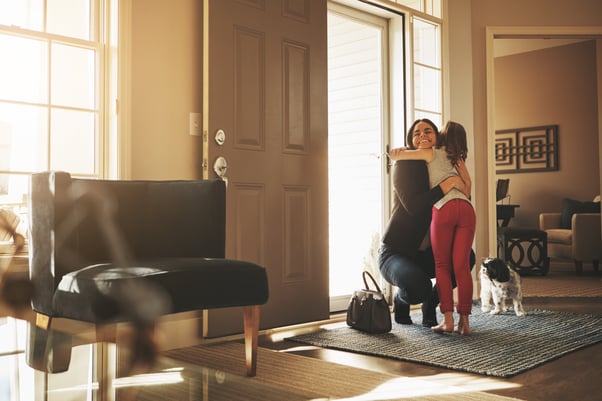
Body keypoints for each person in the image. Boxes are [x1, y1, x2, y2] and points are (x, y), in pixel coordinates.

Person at [379, 119, 471, 328]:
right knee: (417, 288)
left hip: (428, 254)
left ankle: (431, 302)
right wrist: (445, 187)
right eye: (416, 133)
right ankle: (401, 300)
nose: (422, 135)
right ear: (410, 141)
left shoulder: (444, 164)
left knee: (467, 258)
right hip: (396, 252)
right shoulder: (404, 165)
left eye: (428, 131)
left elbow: (460, 199)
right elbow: (413, 206)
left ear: (438, 137)